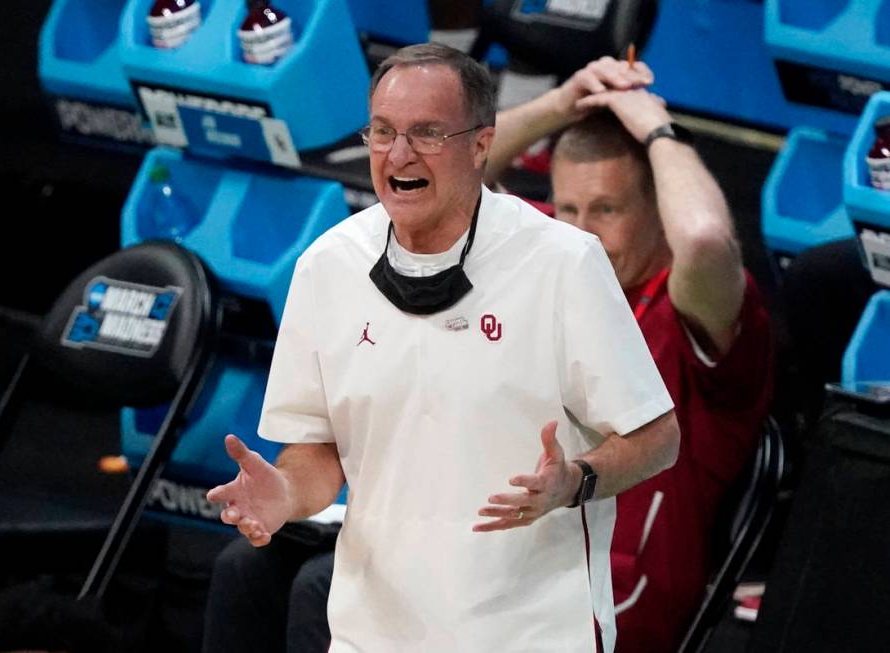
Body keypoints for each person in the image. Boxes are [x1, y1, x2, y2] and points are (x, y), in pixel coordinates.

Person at [207, 43, 679, 653]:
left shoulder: (564, 263)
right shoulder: (328, 266)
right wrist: (287, 493)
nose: (398, 155)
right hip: (373, 631)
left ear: (481, 144)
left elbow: (658, 437)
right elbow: (321, 451)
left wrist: (576, 481)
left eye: (427, 134)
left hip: (533, 632)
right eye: (383, 132)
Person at [485, 56, 774, 652]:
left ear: (656, 212)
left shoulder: (692, 310)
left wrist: (656, 130)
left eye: (608, 210)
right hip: (504, 561)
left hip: (606, 602)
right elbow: (445, 177)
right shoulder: (555, 251)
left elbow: (703, 237)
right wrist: (563, 101)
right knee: (287, 578)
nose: (583, 232)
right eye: (569, 209)